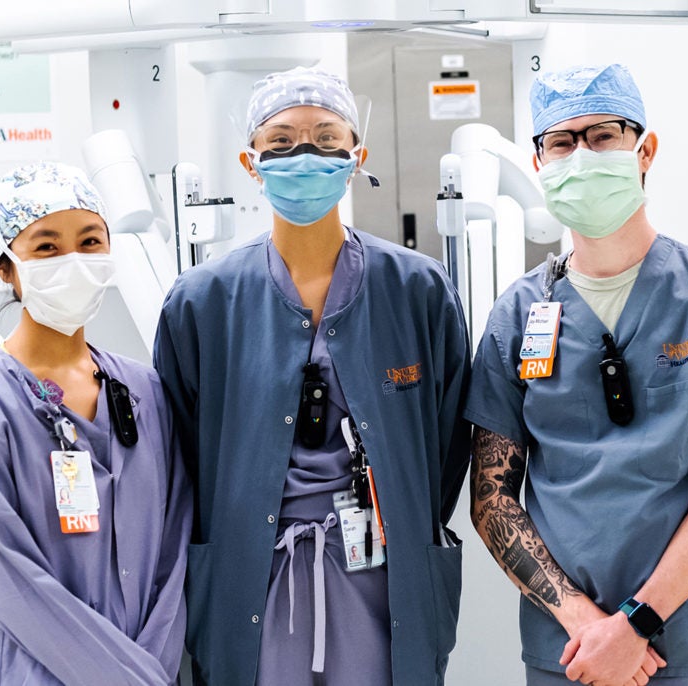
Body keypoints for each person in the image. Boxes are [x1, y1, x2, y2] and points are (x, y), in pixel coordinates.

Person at [466, 64, 688, 686]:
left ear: (644, 150)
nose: (582, 156)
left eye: (602, 136)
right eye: (562, 143)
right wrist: (587, 627)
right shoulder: (518, 315)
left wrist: (635, 625)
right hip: (572, 652)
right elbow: (492, 497)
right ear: (540, 161)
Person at [153, 66, 472, 686]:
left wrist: (401, 514)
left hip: (382, 573)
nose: (305, 154)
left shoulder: (418, 290)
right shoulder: (202, 303)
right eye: (281, 141)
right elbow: (183, 458)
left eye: (327, 139)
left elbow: (446, 444)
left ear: (358, 155)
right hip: (254, 575)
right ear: (251, 162)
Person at [0, 162, 191, 686]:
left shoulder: (144, 392)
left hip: (148, 670)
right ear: (6, 268)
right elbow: (8, 575)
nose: (74, 260)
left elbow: (174, 549)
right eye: (47, 247)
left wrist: (149, 669)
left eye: (90, 242)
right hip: (34, 672)